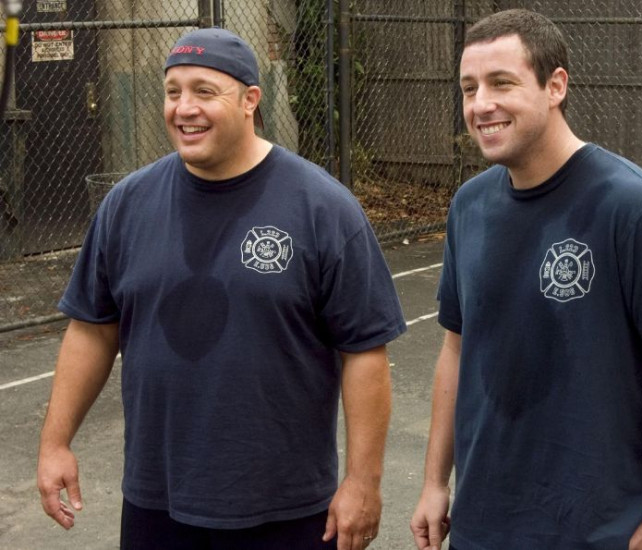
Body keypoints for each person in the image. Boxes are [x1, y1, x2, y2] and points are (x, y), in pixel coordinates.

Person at [37, 27, 406, 550]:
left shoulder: (322, 208)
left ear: (250, 100)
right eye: (173, 92)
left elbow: (364, 351)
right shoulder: (127, 205)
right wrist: (55, 443)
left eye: (204, 91)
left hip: (286, 507)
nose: (184, 108)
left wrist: (363, 482)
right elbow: (92, 330)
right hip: (158, 500)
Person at [410, 9, 642, 550]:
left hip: (595, 530)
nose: (481, 104)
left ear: (555, 86)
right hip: (482, 525)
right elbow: (455, 350)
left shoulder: (632, 207)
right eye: (469, 88)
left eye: (502, 83)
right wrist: (435, 483)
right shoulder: (469, 207)